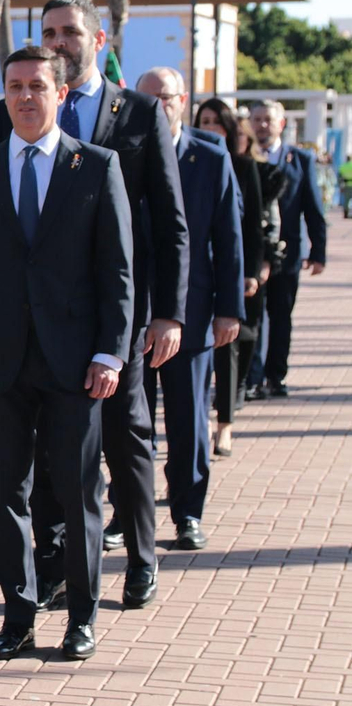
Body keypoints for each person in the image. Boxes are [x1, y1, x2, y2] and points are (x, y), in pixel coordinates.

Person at [0, 0, 187, 613]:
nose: (60, 40)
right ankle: (56, 566)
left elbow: (170, 222)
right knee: (47, 453)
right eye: (49, 31)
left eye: (71, 32)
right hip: (36, 323)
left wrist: (168, 312)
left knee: (126, 438)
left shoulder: (138, 113)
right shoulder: (14, 107)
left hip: (115, 316)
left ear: (99, 43)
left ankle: (142, 559)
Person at [0, 46, 134, 663]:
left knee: (77, 491)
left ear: (59, 93)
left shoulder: (96, 167)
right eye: (15, 86)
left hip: (75, 362)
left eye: (37, 86)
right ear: (4, 94)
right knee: (4, 492)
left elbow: (118, 272)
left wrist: (110, 351)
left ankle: (80, 618)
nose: (25, 97)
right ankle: (18, 615)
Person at [136, 69, 242, 552]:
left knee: (188, 421)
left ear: (183, 100)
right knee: (131, 425)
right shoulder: (122, 152)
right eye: (146, 99)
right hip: (134, 310)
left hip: (195, 312)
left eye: (165, 99)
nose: (156, 107)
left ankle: (187, 513)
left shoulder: (211, 157)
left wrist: (229, 309)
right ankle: (127, 513)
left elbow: (229, 238)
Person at [196, 99, 277, 456]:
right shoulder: (187, 160)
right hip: (196, 272)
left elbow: (250, 226)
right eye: (204, 121)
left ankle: (224, 424)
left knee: (229, 347)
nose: (210, 127)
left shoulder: (243, 167)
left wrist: (250, 271)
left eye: (216, 121)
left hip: (232, 270)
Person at [247, 100, 327, 398]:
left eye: (268, 119)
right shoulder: (244, 158)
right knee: (253, 317)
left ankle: (275, 376)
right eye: (257, 119)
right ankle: (252, 378)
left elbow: (313, 207)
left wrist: (318, 252)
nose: (262, 125)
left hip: (288, 253)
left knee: (281, 316)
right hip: (254, 254)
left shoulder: (300, 159)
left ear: (281, 124)